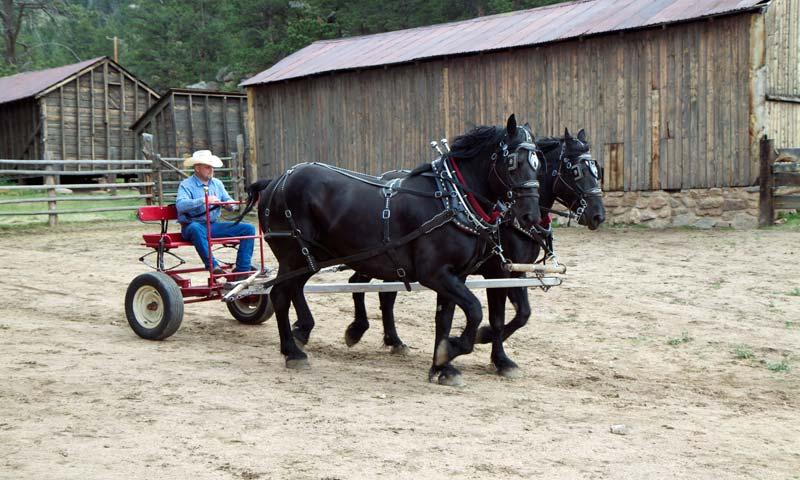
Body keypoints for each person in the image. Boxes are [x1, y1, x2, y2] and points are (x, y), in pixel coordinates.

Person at [176, 150, 256, 277]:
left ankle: (242, 270)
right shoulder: (186, 185)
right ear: (197, 168)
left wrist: (230, 204)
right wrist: (204, 200)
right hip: (192, 226)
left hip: (213, 226)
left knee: (249, 228)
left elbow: (230, 202)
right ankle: (213, 266)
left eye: (212, 167)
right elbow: (180, 205)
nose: (211, 169)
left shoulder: (217, 183)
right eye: (207, 167)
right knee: (196, 228)